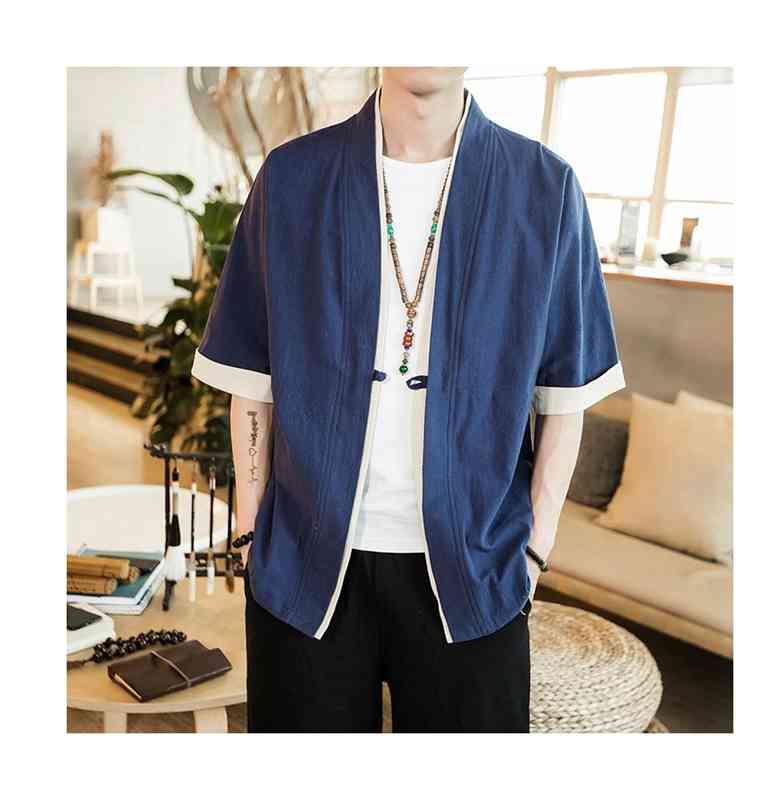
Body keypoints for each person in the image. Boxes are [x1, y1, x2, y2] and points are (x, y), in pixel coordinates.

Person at [191, 67, 625, 733]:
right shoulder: (292, 178)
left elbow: (566, 394)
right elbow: (251, 377)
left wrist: (535, 550)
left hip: (475, 572)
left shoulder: (544, 187)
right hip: (306, 565)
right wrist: (252, 531)